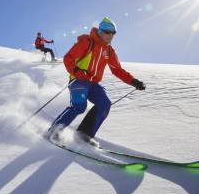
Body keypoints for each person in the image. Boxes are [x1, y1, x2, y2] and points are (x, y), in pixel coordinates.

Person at [45, 17, 145, 147]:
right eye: (108, 32)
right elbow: (68, 58)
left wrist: (134, 81)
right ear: (100, 31)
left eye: (113, 33)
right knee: (79, 107)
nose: (111, 35)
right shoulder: (87, 42)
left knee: (105, 104)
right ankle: (54, 131)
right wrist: (78, 72)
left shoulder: (109, 51)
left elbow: (117, 70)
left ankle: (84, 134)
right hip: (79, 80)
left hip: (93, 84)